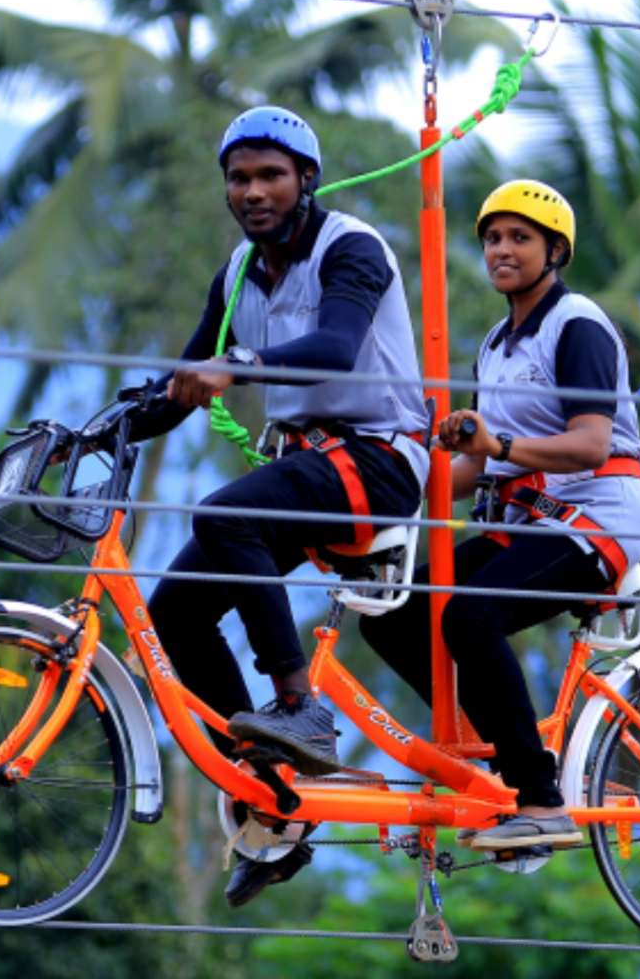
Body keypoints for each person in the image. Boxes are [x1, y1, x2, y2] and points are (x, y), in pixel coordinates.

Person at [123, 106, 429, 905]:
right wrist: (95, 430)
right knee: (178, 615)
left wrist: (240, 363)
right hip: (308, 468)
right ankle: (271, 790)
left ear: (307, 182)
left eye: (270, 176)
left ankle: (301, 708)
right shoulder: (237, 274)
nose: (252, 192)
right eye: (238, 178)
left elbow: (333, 346)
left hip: (379, 460)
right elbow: (182, 386)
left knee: (224, 517)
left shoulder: (350, 248)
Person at [360, 180, 640, 851]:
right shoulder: (496, 342)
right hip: (529, 516)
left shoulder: (575, 323)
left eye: (520, 238)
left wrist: (496, 445)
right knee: (396, 614)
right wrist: (388, 483)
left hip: (599, 512)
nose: (502, 249)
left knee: (471, 613)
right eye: (493, 238)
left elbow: (589, 443)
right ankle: (493, 754)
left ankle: (540, 798)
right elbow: (476, 468)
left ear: (556, 250)